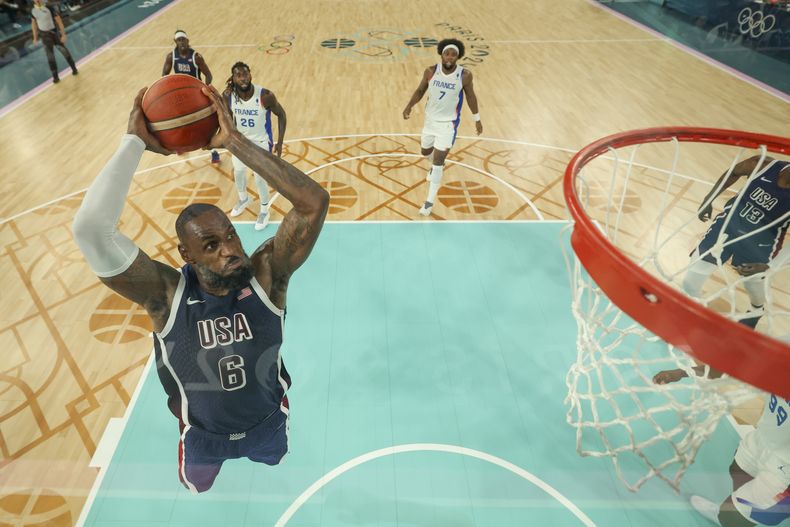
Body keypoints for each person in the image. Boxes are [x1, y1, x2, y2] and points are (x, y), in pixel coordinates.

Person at [72, 86, 329, 493]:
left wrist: (235, 142)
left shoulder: (266, 275)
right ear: (186, 255)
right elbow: (90, 229)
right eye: (211, 245)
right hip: (202, 436)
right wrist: (134, 142)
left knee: (275, 459)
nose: (230, 250)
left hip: (267, 421)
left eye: (230, 236)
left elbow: (313, 202)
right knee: (198, 487)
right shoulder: (165, 295)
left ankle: (263, 457)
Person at [657, 369, 789, 527]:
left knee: (731, 518)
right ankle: (735, 512)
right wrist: (684, 372)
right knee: (738, 469)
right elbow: (737, 367)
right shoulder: (781, 362)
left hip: (785, 472)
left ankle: (729, 518)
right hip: (764, 438)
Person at [682, 156, 789, 329]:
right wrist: (709, 198)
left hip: (761, 243)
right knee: (689, 282)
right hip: (726, 228)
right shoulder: (763, 165)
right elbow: (734, 172)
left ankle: (757, 309)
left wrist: (772, 266)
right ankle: (689, 312)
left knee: (752, 282)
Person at [402, 38, 483, 216]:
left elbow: (471, 97)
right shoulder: (431, 72)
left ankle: (429, 202)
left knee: (438, 163)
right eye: (447, 53)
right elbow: (420, 90)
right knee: (425, 152)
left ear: (458, 57)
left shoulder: (464, 75)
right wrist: (409, 105)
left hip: (448, 124)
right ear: (441, 54)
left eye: (454, 54)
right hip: (430, 121)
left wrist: (477, 119)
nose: (450, 57)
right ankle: (433, 166)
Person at [223, 61, 287, 231]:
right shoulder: (229, 96)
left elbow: (282, 115)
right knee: (238, 171)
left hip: (261, 142)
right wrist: (229, 138)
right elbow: (227, 119)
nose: (243, 78)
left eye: (245, 74)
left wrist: (279, 142)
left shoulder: (265, 96)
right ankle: (244, 199)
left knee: (260, 177)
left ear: (250, 74)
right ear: (233, 78)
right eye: (238, 75)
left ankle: (264, 210)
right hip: (241, 141)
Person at [161, 29, 220, 164]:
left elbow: (208, 75)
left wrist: (206, 88)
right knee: (179, 121)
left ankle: (214, 151)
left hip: (197, 93)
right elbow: (164, 76)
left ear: (188, 41)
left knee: (207, 124)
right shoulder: (171, 57)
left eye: (184, 39)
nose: (182, 42)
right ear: (175, 42)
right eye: (179, 40)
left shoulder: (196, 57)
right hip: (181, 96)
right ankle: (182, 146)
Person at [30, 0, 77, 84]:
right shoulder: (33, 11)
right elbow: (34, 24)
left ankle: (74, 68)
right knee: (50, 57)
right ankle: (55, 77)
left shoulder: (49, 7)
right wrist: (35, 37)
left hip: (54, 33)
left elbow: (58, 21)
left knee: (64, 51)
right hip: (44, 36)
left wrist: (63, 34)